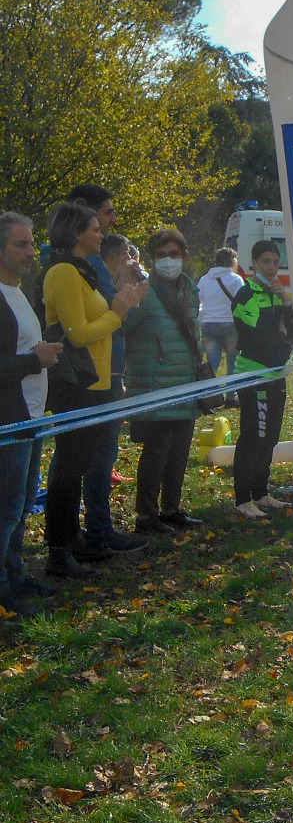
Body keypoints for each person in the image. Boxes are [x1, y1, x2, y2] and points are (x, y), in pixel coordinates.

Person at [40, 201, 147, 577]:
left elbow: (98, 320)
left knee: (81, 464)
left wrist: (123, 304)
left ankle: (73, 541)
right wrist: (117, 312)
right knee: (69, 469)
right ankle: (59, 550)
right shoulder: (64, 272)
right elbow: (78, 335)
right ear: (75, 234)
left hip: (97, 382)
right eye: (95, 228)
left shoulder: (84, 270)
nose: (102, 233)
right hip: (76, 385)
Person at [122, 227, 206, 536]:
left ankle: (171, 509)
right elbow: (124, 327)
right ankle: (146, 515)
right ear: (152, 259)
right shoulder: (144, 291)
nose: (168, 260)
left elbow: (195, 332)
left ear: (183, 256)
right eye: (161, 255)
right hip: (155, 384)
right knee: (156, 454)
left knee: (179, 452)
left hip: (186, 381)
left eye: (173, 254)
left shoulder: (191, 290)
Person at [0, 214, 62, 616]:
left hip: (32, 418)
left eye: (30, 243)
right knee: (5, 510)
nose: (29, 252)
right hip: (10, 421)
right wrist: (33, 360)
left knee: (21, 506)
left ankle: (16, 575)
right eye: (19, 244)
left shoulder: (18, 291)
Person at [231, 239, 293, 516]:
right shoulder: (245, 294)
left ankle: (260, 493)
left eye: (275, 262)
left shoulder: (277, 293)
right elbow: (255, 339)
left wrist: (286, 304)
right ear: (254, 263)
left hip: (276, 373)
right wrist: (280, 337)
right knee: (254, 437)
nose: (271, 268)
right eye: (265, 262)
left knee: (270, 436)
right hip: (253, 374)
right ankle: (242, 498)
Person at [197, 247, 244, 400]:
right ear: (232, 261)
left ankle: (209, 397)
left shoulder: (204, 279)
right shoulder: (236, 279)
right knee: (232, 362)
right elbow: (241, 303)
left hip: (209, 324)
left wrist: (201, 319)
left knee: (212, 364)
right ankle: (231, 396)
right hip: (230, 324)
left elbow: (197, 301)